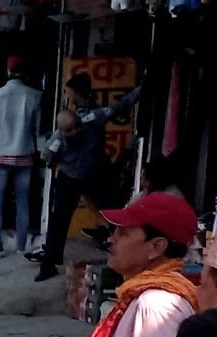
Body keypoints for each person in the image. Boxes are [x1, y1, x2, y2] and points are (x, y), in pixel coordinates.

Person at [75, 192, 198, 337]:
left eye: (124, 233)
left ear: (156, 247)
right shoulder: (139, 295)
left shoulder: (157, 305)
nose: (112, 239)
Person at [33, 76, 138, 279]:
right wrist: (59, 166)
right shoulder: (56, 141)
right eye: (68, 131)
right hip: (70, 177)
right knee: (58, 220)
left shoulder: (91, 119)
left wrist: (141, 91)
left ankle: (128, 252)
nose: (73, 133)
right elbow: (46, 158)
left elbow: (119, 107)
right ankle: (49, 264)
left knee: (114, 211)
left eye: (75, 128)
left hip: (95, 173)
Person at [0, 62, 45, 258]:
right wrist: (40, 151)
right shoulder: (35, 96)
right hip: (24, 154)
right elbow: (38, 128)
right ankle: (21, 247)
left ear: (7, 72)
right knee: (22, 201)